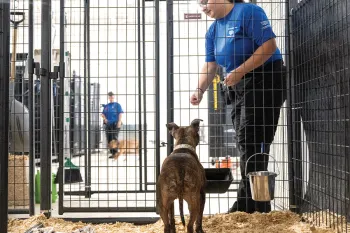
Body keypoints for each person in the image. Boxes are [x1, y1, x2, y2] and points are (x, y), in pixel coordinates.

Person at [190, 0, 286, 213]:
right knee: (245, 143)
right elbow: (210, 64)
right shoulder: (213, 30)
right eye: (200, 5)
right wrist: (199, 90)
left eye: (205, 2)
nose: (203, 7)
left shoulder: (248, 12)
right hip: (238, 85)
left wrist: (240, 70)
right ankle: (257, 206)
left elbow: (269, 46)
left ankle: (249, 207)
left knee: (251, 140)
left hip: (264, 80)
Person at [102, 92, 124, 159]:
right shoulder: (106, 106)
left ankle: (116, 152)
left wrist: (119, 121)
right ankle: (112, 153)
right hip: (108, 124)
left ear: (114, 97)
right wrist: (105, 119)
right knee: (109, 138)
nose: (111, 98)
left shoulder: (117, 105)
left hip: (115, 123)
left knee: (114, 138)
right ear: (108, 97)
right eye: (110, 97)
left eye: (112, 96)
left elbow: (120, 113)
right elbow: (103, 114)